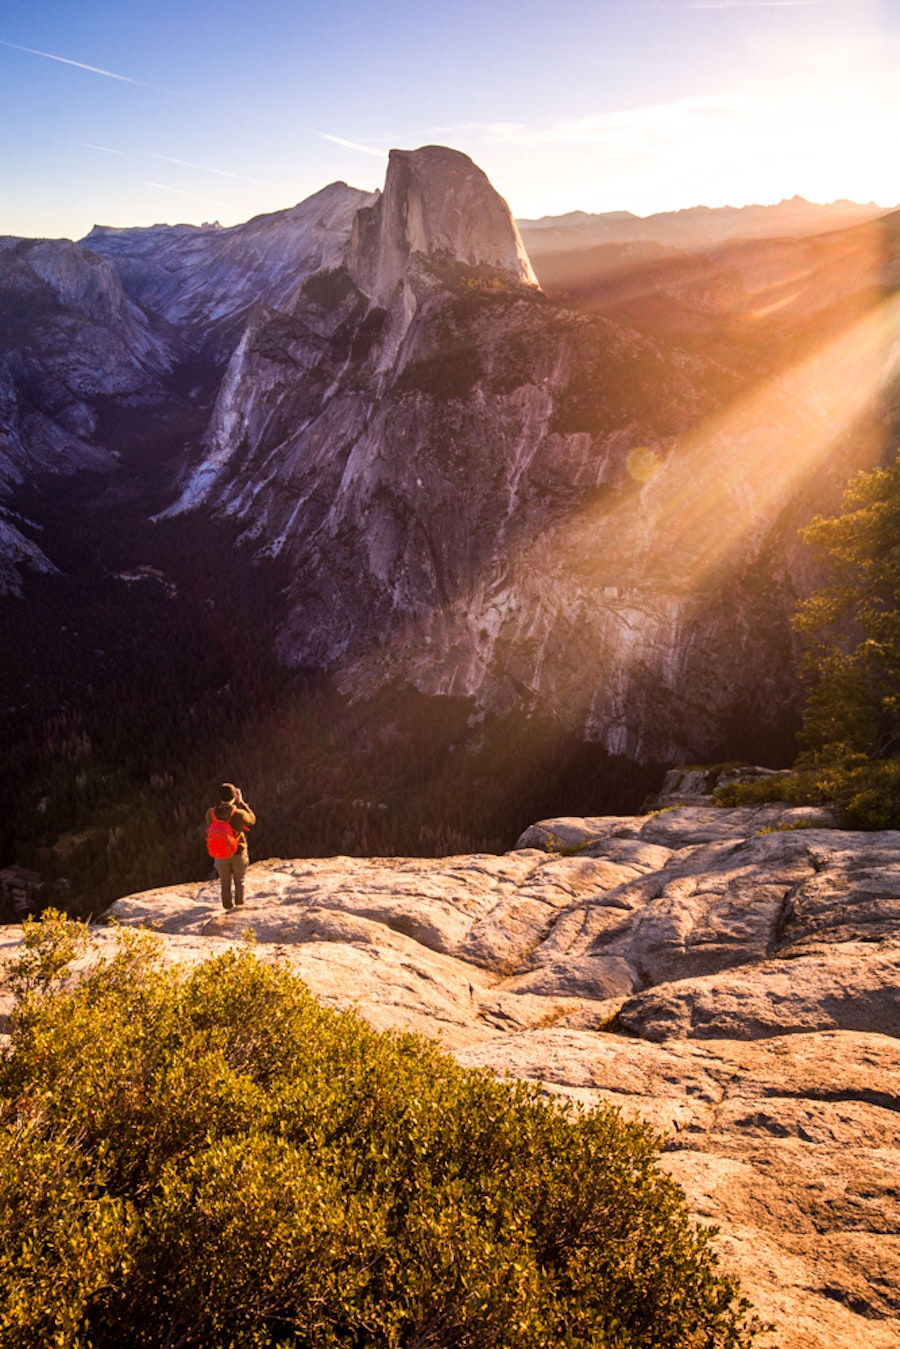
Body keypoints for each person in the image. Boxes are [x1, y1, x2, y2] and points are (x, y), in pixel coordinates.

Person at [205, 783, 256, 910]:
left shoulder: (211, 813)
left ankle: (227, 907)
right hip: (238, 852)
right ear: (234, 796)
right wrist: (242, 803)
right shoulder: (238, 814)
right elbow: (252, 820)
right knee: (240, 882)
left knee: (224, 883)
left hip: (220, 853)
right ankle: (239, 908)